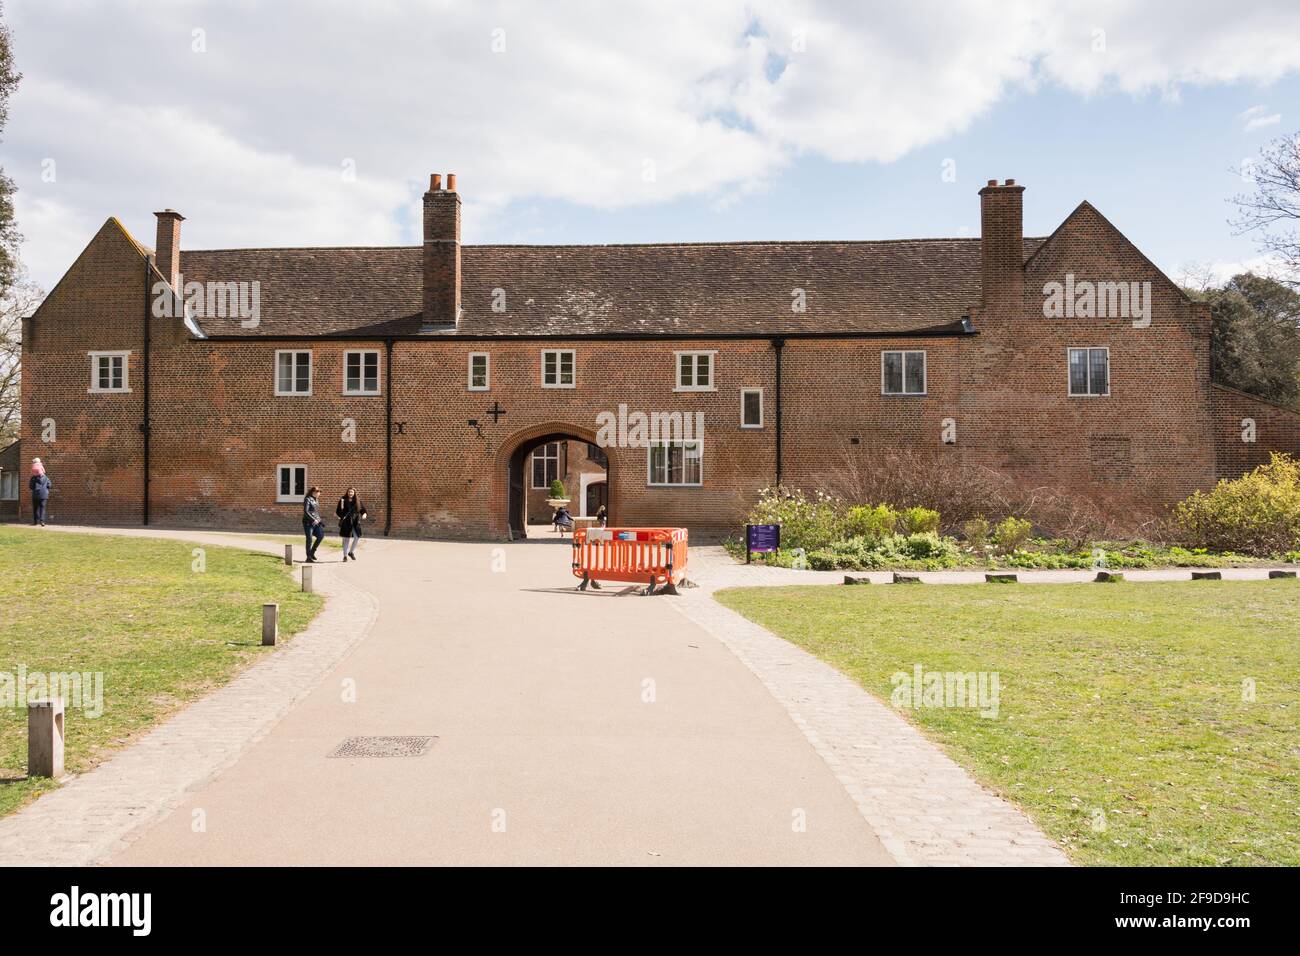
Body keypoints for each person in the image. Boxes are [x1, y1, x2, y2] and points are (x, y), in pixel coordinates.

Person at [336, 487, 368, 562]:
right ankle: (345, 556)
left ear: (354, 493)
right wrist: (341, 516)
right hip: (346, 522)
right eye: (349, 492)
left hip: (355, 522)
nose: (350, 493)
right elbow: (338, 511)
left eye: (352, 492)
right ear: (347, 492)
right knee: (346, 539)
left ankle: (351, 552)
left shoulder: (358, 500)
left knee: (357, 537)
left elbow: (362, 509)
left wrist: (364, 514)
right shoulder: (343, 500)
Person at [302, 485, 325, 562]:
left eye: (320, 492)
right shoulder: (307, 499)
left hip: (316, 522)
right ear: (313, 492)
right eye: (318, 492)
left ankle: (312, 552)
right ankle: (308, 557)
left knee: (320, 536)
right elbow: (306, 511)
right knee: (309, 539)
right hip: (308, 522)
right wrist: (313, 519)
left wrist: (320, 521)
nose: (319, 494)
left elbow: (316, 512)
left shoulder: (316, 500)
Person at [29, 458, 51, 527]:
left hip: (35, 495)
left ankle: (35, 521)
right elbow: (49, 485)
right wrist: (45, 489)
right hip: (44, 495)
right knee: (42, 508)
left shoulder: (33, 478)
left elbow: (31, 486)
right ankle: (42, 521)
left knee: (35, 509)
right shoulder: (46, 477)